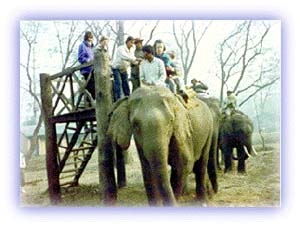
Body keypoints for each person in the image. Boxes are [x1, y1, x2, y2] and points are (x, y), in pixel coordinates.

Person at [112, 36, 141, 101]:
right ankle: (118, 99)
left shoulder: (132, 49)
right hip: (117, 68)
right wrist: (135, 59)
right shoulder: (121, 48)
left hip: (124, 68)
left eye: (133, 43)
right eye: (131, 42)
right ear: (127, 42)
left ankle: (127, 97)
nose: (132, 44)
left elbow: (132, 58)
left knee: (126, 83)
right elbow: (124, 57)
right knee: (118, 82)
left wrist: (137, 62)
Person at [78, 31, 95, 101]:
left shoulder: (91, 48)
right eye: (89, 40)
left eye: (91, 39)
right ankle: (90, 102)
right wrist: (87, 60)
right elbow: (80, 58)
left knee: (94, 86)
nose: (90, 41)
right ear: (86, 39)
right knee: (90, 87)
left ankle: (91, 101)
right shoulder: (82, 46)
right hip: (86, 70)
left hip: (92, 69)